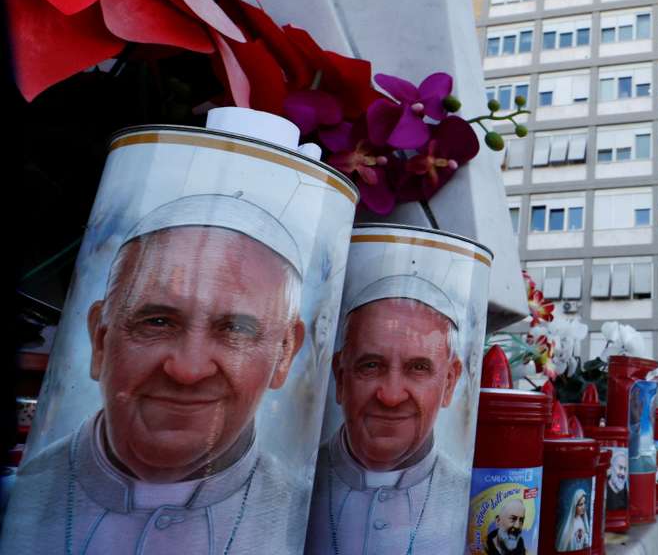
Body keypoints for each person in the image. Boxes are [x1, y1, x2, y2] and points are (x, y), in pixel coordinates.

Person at [0, 195, 309, 555]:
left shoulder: (307, 518)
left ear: (284, 352)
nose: (188, 371)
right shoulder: (16, 500)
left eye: (235, 329)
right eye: (157, 322)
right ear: (101, 339)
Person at [306, 275, 468, 554]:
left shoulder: (470, 495)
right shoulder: (297, 482)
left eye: (418, 368)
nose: (391, 397)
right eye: (370, 365)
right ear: (341, 377)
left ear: (449, 382)